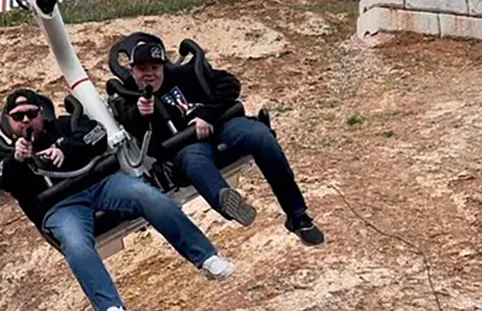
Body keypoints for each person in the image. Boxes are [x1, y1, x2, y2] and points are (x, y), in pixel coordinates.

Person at [0, 87, 238, 311]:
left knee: (148, 195)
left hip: (101, 185)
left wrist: (65, 150)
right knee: (75, 244)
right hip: (61, 207)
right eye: (18, 116)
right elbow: (3, 178)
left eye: (31, 113)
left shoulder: (67, 126)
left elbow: (96, 134)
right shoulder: (7, 155)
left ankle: (206, 257)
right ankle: (110, 309)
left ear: (41, 114)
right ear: (9, 122)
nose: (25, 121)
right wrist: (19, 160)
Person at [109, 37, 325, 246]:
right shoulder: (128, 99)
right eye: (142, 69)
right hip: (186, 146)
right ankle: (227, 200)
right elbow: (133, 124)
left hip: (221, 126)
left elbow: (230, 84)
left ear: (163, 67)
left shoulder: (186, 74)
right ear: (132, 70)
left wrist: (206, 114)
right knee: (195, 163)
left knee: (260, 136)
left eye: (155, 68)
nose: (149, 75)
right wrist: (141, 113)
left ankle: (298, 216)